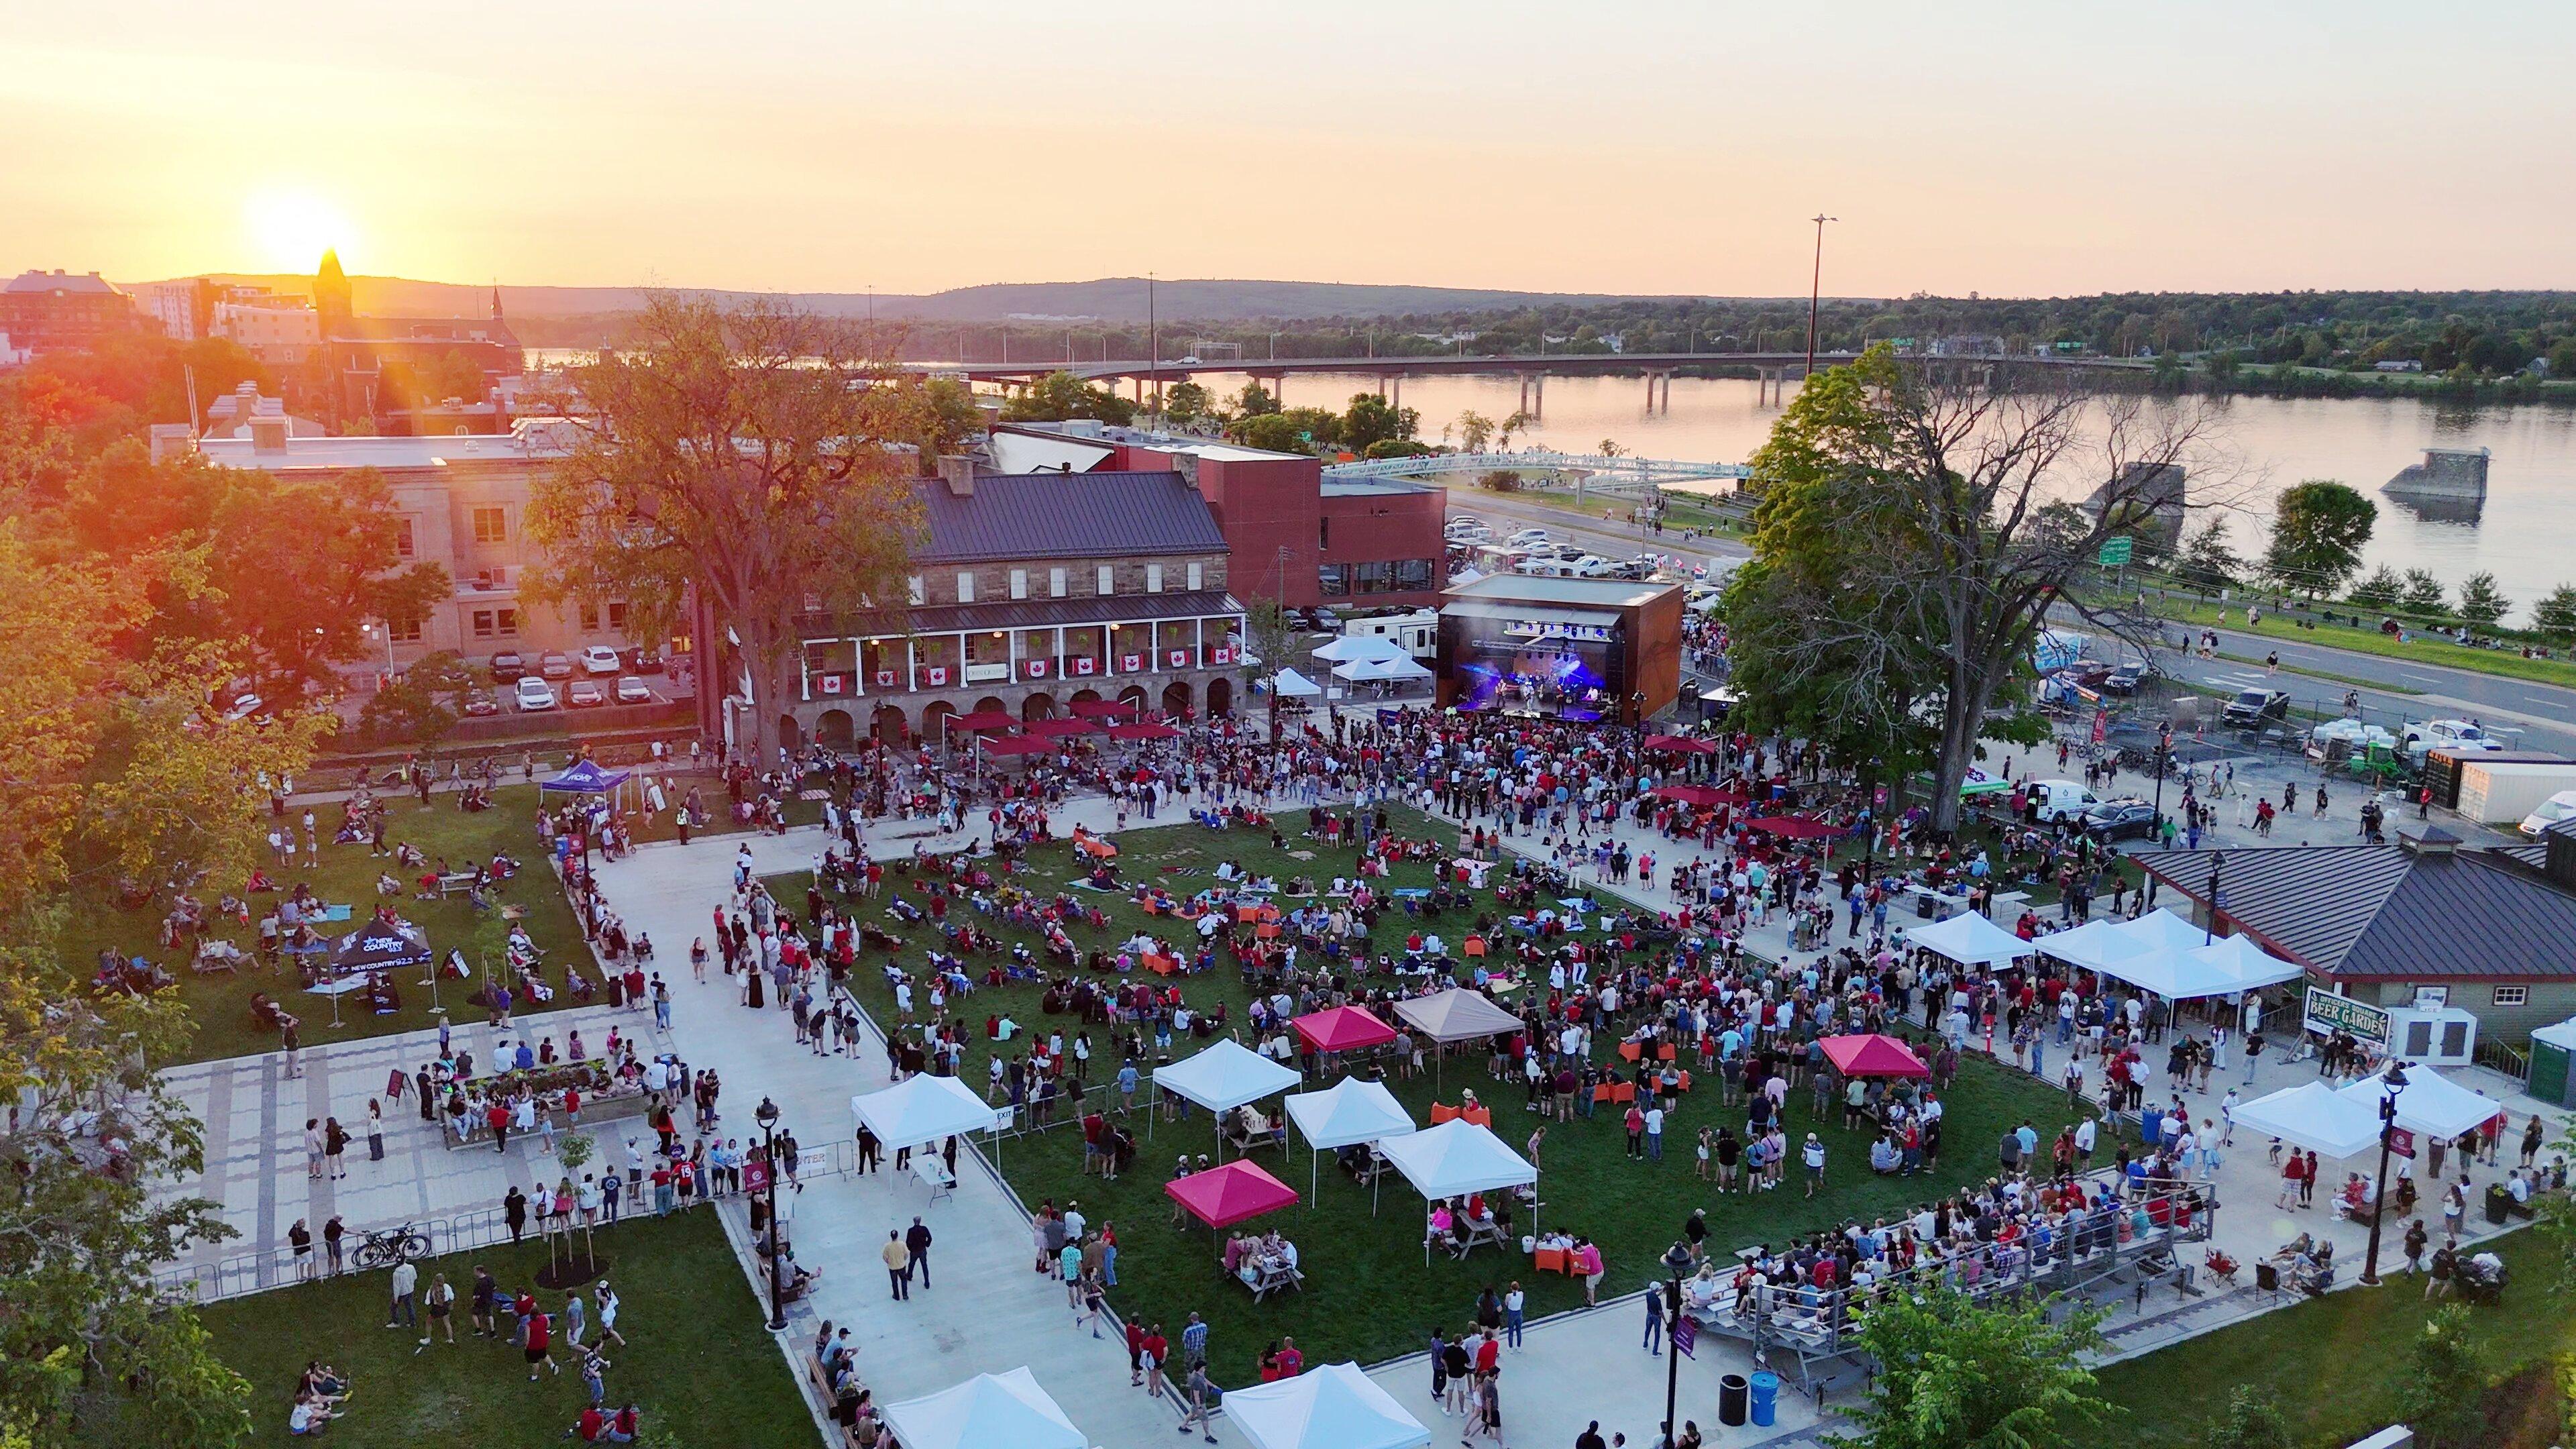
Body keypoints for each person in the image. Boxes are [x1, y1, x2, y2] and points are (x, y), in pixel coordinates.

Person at [1175, 1360, 1220, 1443]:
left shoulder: (1199, 1374)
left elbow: (1204, 1379)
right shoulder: (1196, 1380)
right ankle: (1207, 1436)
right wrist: (1199, 1407)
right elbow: (1196, 1395)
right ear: (1200, 1368)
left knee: (1192, 1413)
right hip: (1200, 1403)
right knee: (1205, 1418)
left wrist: (1213, 1385)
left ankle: (1183, 1427)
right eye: (1204, 1367)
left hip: (1197, 1402)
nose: (1205, 1368)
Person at [419, 1271, 455, 1350]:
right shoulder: (447, 1287)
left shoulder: (432, 1289)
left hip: (436, 1308)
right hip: (445, 1307)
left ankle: (428, 1339)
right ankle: (450, 1339)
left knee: (428, 1322)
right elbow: (452, 1297)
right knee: (447, 1322)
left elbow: (427, 1302)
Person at [906, 1216, 934, 1289]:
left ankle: (909, 1276)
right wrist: (926, 1245)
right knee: (924, 1265)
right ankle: (927, 1282)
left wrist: (910, 1248)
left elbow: (907, 1242)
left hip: (914, 1251)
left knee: (912, 1264)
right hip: (922, 1250)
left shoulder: (911, 1230)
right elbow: (930, 1238)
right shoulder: (924, 1229)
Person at [881, 1230, 911, 1300]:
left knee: (894, 1282)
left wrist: (888, 1262)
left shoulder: (887, 1246)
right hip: (901, 1266)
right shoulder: (902, 1244)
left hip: (892, 1267)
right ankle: (905, 1295)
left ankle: (896, 1296)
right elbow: (907, 1253)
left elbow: (884, 1257)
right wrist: (903, 1259)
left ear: (891, 1236)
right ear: (897, 1236)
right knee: (904, 1280)